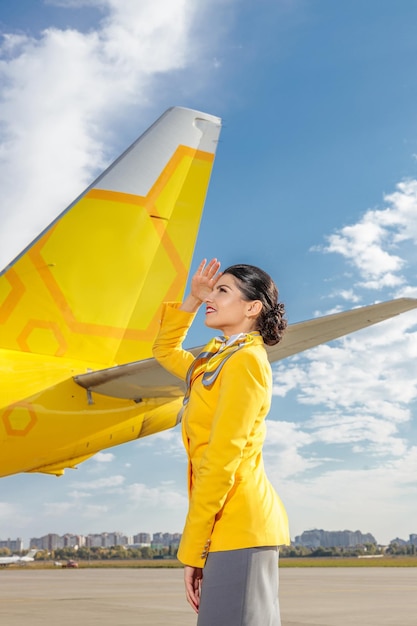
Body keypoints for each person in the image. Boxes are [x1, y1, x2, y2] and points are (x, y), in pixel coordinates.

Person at [152, 258, 290, 625]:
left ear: (252, 307)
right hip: (226, 528)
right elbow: (164, 351)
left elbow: (222, 460)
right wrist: (192, 300)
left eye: (222, 290)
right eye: (213, 290)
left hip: (240, 526)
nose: (212, 296)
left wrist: (193, 549)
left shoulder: (245, 362)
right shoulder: (215, 362)